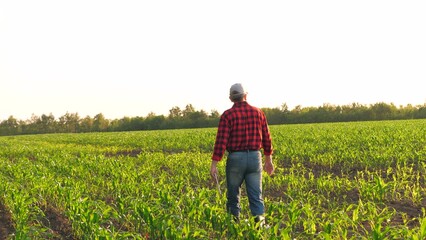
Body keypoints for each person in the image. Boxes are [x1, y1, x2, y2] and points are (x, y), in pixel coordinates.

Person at [210, 83, 275, 225]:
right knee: (256, 196)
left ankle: (234, 226)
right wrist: (268, 160)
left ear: (231, 98)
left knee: (233, 196)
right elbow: (267, 137)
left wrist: (214, 164)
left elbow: (221, 141)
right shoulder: (258, 113)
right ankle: (260, 227)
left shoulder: (227, 115)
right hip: (254, 158)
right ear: (245, 95)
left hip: (235, 159)